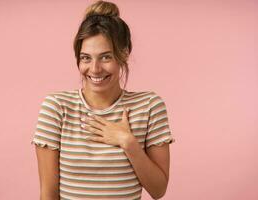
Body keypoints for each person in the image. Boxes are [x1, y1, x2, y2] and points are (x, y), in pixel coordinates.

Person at [31, 1, 175, 199]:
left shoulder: (149, 106)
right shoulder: (57, 108)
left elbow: (159, 190)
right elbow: (48, 193)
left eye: (106, 57)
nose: (95, 69)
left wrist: (128, 143)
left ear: (123, 54)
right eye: (86, 58)